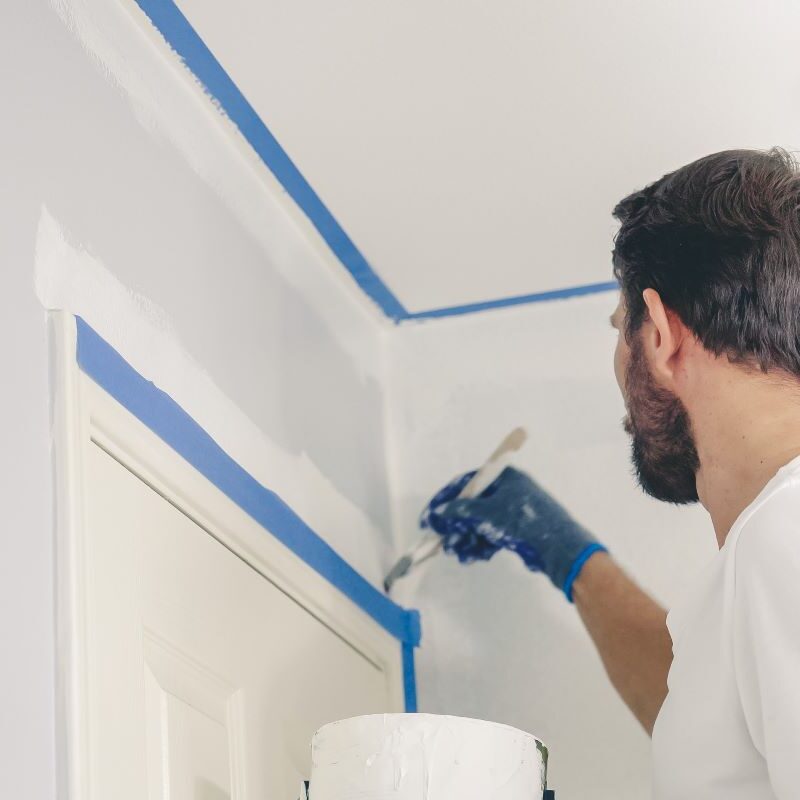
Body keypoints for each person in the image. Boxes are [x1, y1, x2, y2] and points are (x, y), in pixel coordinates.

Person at [422, 147, 800, 800]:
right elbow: (709, 727)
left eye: (618, 325)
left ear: (658, 335)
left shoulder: (785, 535)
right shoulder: (767, 555)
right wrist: (566, 555)